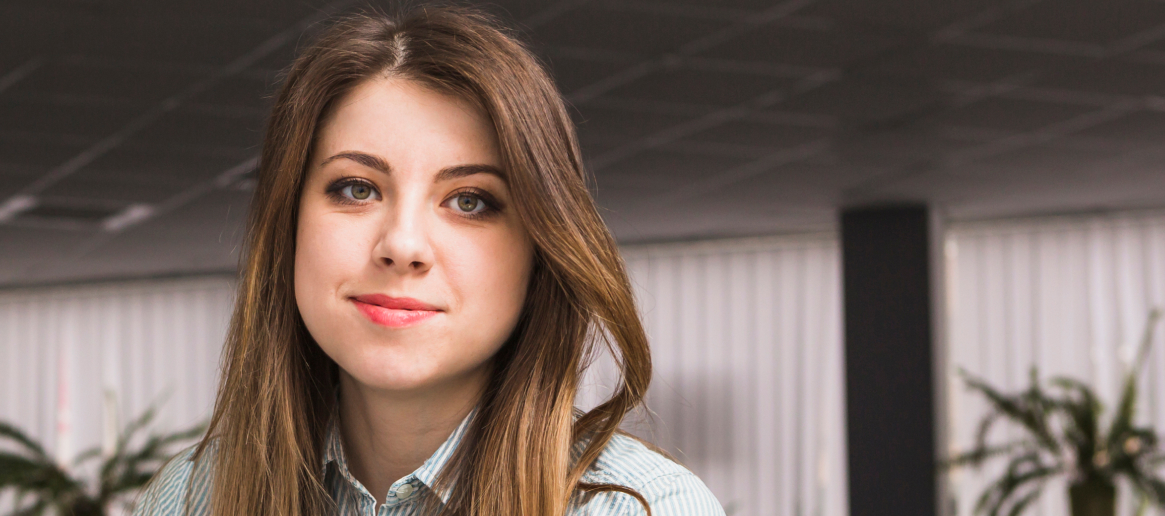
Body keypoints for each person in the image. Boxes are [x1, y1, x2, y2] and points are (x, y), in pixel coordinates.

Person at [134, 4, 725, 515]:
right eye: (357, 188)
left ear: (540, 251)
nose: (403, 245)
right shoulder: (192, 496)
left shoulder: (636, 507)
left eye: (470, 201)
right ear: (288, 224)